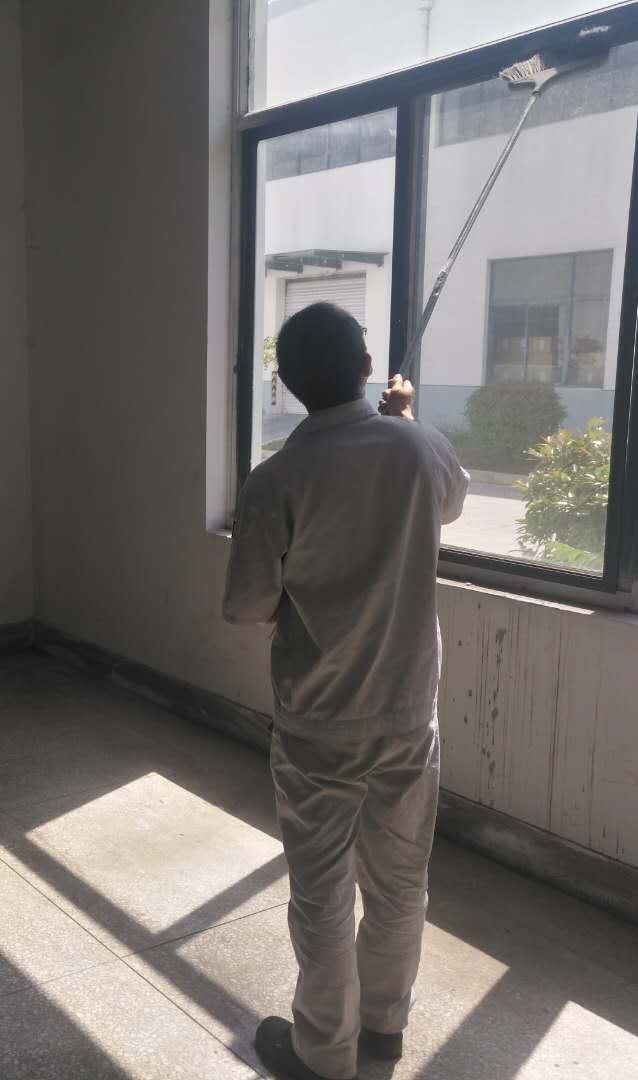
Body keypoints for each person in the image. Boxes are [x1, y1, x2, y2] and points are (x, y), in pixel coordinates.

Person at [223, 303, 468, 1080]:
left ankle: (323, 1053)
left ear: (288, 382)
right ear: (367, 368)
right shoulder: (419, 447)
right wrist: (406, 420)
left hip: (317, 719)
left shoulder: (275, 479)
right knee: (399, 882)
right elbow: (450, 502)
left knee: (322, 890)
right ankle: (383, 1034)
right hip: (407, 711)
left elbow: (247, 606)